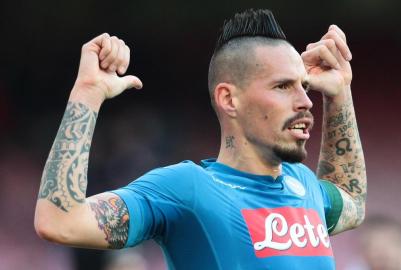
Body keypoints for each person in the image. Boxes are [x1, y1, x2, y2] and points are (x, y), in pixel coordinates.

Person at [34, 9, 367, 269]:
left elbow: (351, 198)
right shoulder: (186, 189)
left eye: (304, 86)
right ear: (229, 99)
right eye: (283, 86)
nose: (306, 101)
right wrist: (88, 94)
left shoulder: (305, 186)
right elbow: (60, 221)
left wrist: (339, 95)